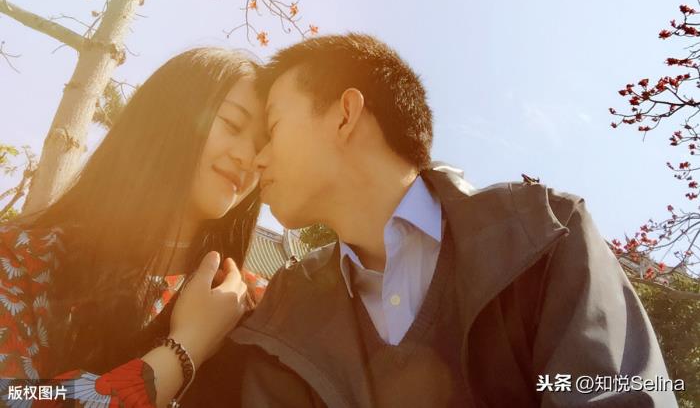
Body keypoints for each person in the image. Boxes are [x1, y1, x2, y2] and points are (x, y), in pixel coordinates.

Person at [205, 33, 676, 407]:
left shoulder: (544, 236)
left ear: (345, 115)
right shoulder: (285, 310)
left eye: (274, 127)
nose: (258, 159)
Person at [0, 47, 267, 407]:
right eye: (232, 125)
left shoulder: (249, 301)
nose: (247, 158)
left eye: (262, 147)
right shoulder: (21, 259)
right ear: (170, 116)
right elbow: (13, 397)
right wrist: (186, 346)